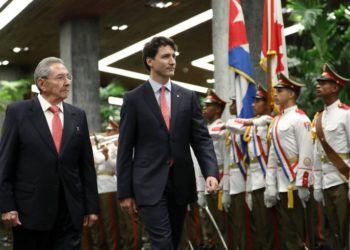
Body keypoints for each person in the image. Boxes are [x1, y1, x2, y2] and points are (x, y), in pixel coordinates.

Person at [117, 36, 219, 250]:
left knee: (173, 239)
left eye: (173, 56)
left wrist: (211, 172)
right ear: (150, 61)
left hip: (180, 182)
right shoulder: (133, 99)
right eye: (165, 56)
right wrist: (125, 192)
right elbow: (125, 149)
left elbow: (201, 139)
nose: (172, 61)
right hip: (148, 183)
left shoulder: (188, 96)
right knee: (162, 242)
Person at [0, 57, 99, 250]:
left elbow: (85, 165)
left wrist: (92, 207)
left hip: (70, 210)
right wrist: (6, 205)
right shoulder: (18, 112)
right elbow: (5, 163)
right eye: (60, 77)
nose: (68, 82)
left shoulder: (78, 115)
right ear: (42, 83)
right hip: (30, 212)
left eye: (68, 77)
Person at [264, 73, 313, 250]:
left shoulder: (301, 118)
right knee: (287, 233)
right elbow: (272, 155)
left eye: (280, 90)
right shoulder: (276, 121)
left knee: (301, 233)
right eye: (275, 90)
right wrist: (270, 184)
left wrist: (303, 183)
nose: (275, 93)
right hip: (281, 184)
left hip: (296, 183)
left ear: (292, 94)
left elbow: (307, 152)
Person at [312, 63, 350, 250]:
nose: (318, 85)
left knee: (346, 230)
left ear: (335, 88)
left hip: (343, 180)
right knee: (331, 230)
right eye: (319, 82)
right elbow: (317, 154)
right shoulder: (319, 117)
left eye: (324, 82)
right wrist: (317, 184)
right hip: (326, 181)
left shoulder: (346, 114)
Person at [196, 89, 226, 249]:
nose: (204, 108)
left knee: (221, 224)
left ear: (218, 109)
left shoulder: (222, 128)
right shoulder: (205, 130)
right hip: (207, 183)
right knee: (209, 225)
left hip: (219, 181)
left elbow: (225, 157)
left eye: (209, 105)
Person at [223, 96, 252, 250]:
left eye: (234, 102)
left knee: (245, 224)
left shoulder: (244, 126)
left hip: (244, 180)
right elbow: (228, 161)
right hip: (233, 181)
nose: (231, 105)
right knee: (236, 224)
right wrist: (226, 187)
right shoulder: (231, 130)